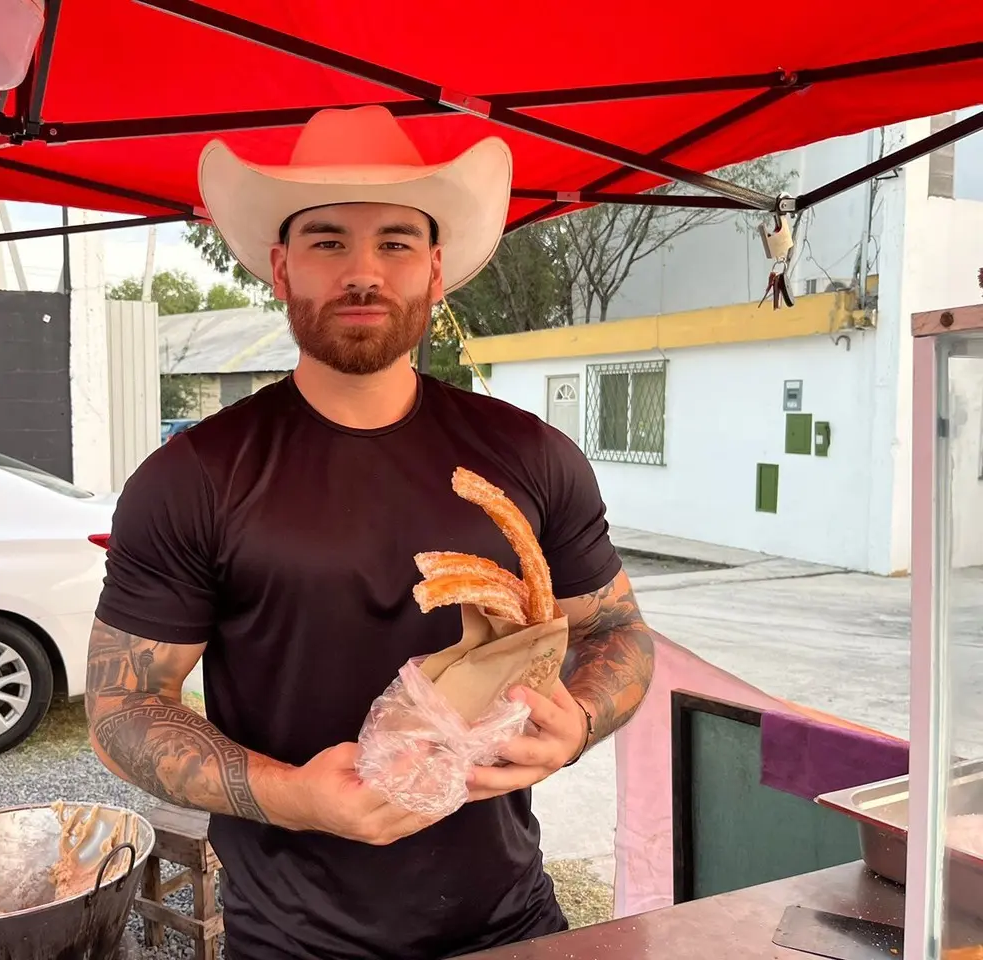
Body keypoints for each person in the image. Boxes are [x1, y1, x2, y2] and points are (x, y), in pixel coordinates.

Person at [86, 105, 657, 960]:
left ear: (435, 270)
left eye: (394, 242)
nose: (362, 271)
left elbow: (615, 630)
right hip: (293, 939)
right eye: (326, 242)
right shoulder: (193, 479)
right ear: (280, 268)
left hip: (513, 924)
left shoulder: (533, 456)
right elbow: (121, 706)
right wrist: (294, 796)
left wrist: (576, 721)